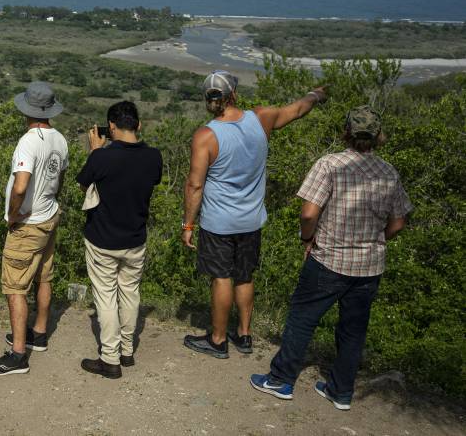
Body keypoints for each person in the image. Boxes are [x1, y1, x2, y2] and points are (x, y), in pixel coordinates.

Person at [251, 106, 411, 410]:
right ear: (378, 136)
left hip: (329, 259)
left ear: (347, 132)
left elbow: (309, 213)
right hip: (369, 265)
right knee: (353, 329)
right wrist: (377, 239)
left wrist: (307, 238)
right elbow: (399, 221)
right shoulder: (388, 172)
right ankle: (341, 391)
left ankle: (280, 379)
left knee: (302, 318)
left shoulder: (330, 165)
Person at [182, 71, 327, 359]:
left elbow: (195, 184)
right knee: (244, 276)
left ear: (207, 99)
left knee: (221, 277)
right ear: (233, 94)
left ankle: (218, 339)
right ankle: (244, 335)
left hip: (219, 222)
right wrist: (316, 95)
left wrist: (188, 223)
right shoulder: (260, 118)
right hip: (251, 219)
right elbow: (298, 109)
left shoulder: (206, 136)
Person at [0, 81, 68, 376]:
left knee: (15, 288)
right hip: (49, 216)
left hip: (28, 223)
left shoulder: (28, 141)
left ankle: (18, 355)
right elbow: (59, 178)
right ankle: (39, 333)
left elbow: (21, 184)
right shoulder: (60, 139)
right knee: (44, 276)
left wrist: (12, 213)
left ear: (27, 110)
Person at [77, 101, 162, 379]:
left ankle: (110, 358)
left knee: (106, 298)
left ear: (110, 127)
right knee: (130, 292)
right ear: (138, 125)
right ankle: (127, 351)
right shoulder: (153, 157)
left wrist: (95, 151)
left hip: (102, 239)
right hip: (135, 238)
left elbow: (83, 183)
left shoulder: (102, 158)